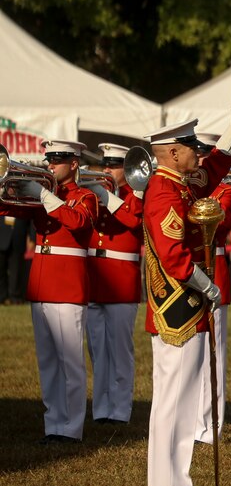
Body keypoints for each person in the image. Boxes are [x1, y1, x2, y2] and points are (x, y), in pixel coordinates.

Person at [144, 94, 231, 486]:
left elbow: (217, 167)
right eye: (191, 147)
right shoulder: (163, 192)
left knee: (182, 399)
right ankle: (167, 485)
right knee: (174, 400)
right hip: (178, 309)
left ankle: (172, 482)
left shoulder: (179, 182)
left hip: (185, 308)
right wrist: (207, 285)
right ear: (173, 152)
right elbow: (173, 256)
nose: (197, 154)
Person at [0, 139, 96, 443]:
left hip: (68, 287)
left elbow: (78, 222)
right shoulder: (47, 195)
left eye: (58, 160)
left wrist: (43, 194)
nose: (50, 165)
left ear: (74, 163)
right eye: (49, 159)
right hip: (42, 286)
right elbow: (8, 208)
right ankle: (54, 425)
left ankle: (72, 428)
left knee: (70, 362)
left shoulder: (86, 197)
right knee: (48, 362)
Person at [84, 143, 144, 425]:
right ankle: (101, 409)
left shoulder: (138, 195)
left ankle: (120, 410)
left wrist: (105, 196)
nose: (106, 169)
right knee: (97, 349)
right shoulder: (97, 193)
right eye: (105, 164)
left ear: (128, 169)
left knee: (120, 349)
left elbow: (133, 221)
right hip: (96, 276)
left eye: (114, 165)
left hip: (121, 279)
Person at [193, 132, 231, 443]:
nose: (197, 161)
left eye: (202, 156)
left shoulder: (226, 191)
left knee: (214, 355)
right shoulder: (187, 188)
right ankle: (195, 421)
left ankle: (211, 426)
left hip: (213, 269)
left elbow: (217, 222)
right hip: (188, 271)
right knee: (191, 354)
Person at [0, 211, 30, 305]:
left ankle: (15, 297)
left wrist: (32, 238)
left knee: (16, 270)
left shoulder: (23, 199)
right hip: (1, 238)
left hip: (18, 239)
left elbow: (31, 222)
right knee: (0, 270)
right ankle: (2, 297)